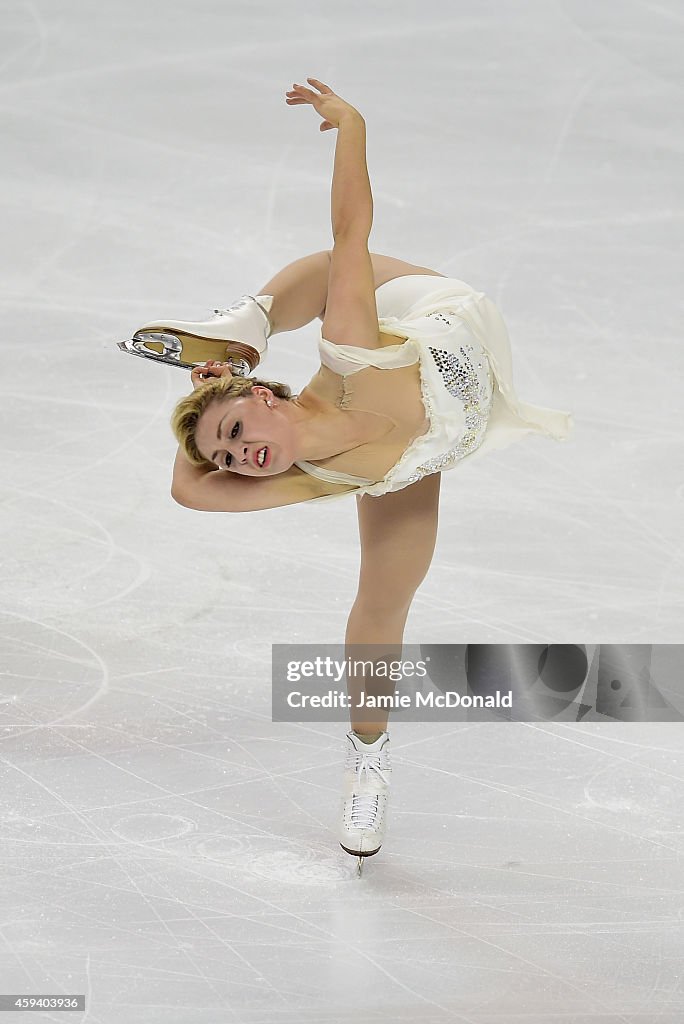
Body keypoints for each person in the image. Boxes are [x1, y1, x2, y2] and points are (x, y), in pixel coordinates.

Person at [120, 79, 573, 872]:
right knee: (381, 604)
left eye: (233, 434)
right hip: (424, 456)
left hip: (435, 316)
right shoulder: (311, 476)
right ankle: (368, 759)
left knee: (340, 267)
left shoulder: (351, 351)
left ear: (264, 395)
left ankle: (249, 323)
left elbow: (351, 226)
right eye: (228, 459)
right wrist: (201, 426)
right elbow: (186, 490)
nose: (237, 460)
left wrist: (352, 126)